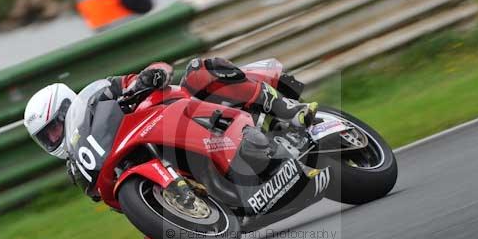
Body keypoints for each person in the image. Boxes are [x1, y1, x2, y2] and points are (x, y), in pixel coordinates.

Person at [23, 58, 317, 160]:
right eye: (46, 136)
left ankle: (287, 109)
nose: (54, 137)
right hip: (167, 149)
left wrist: (147, 80)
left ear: (65, 111)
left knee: (198, 71)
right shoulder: (82, 163)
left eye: (54, 127)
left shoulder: (100, 96)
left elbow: (149, 72)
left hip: (180, 111)